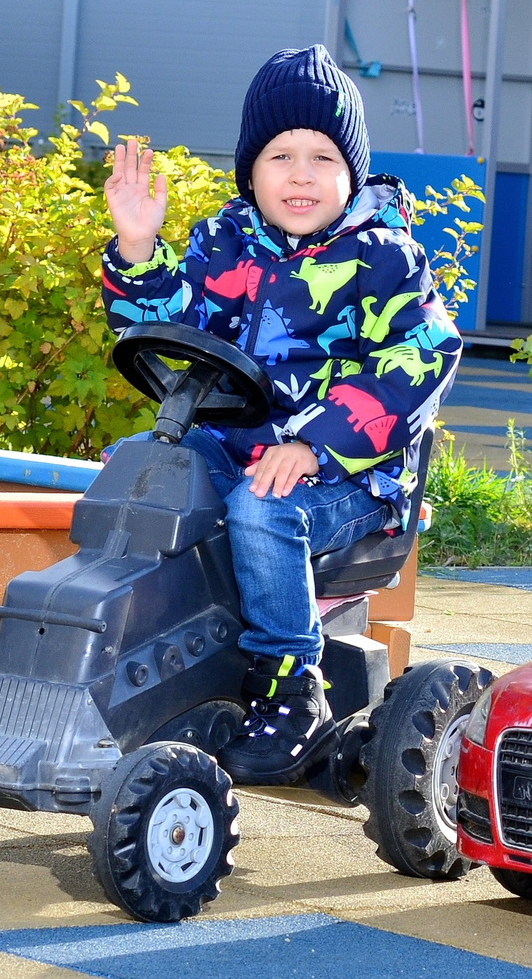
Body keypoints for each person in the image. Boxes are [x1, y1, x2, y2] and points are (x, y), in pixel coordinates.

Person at [101, 46, 460, 783]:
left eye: (323, 157)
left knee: (263, 506)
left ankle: (292, 686)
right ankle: (124, 646)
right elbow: (173, 324)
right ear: (250, 171)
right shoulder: (222, 243)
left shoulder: (383, 258)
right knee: (136, 468)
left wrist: (315, 445)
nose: (301, 175)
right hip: (238, 449)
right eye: (280, 156)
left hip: (351, 478)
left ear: (352, 171)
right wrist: (138, 246)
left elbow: (420, 359)